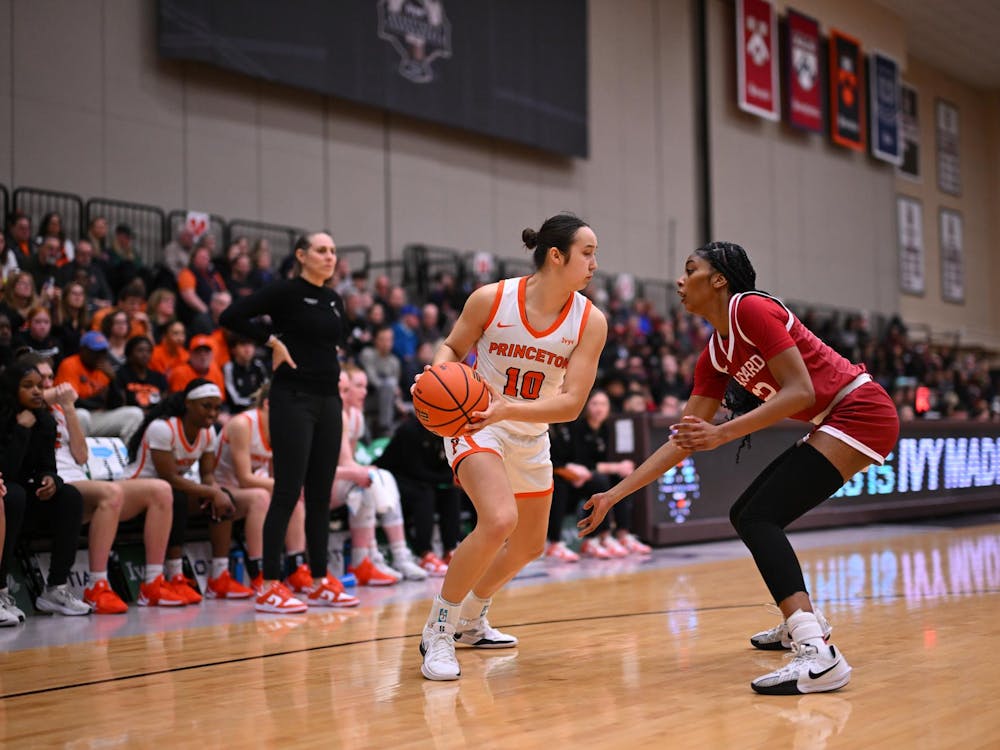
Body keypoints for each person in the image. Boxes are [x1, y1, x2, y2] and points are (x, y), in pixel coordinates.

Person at [578, 241, 900, 695]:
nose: (679, 280)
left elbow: (800, 392)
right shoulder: (716, 352)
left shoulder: (750, 309)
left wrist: (722, 434)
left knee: (757, 515)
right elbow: (683, 439)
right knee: (748, 514)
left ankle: (818, 653)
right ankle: (804, 622)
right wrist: (615, 494)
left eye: (690, 270)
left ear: (719, 280)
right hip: (839, 418)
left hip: (861, 410)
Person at [418, 214, 607, 681]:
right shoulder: (491, 298)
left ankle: (472, 619)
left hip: (526, 428)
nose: (594, 264)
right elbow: (452, 347)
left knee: (529, 546)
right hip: (476, 420)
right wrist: (435, 377)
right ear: (556, 255)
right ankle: (438, 629)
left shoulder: (590, 320)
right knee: (499, 520)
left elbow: (570, 405)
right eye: (587, 253)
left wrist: (511, 411)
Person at [219, 231, 349, 614]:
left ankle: (320, 579)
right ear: (301, 255)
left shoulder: (334, 299)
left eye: (333, 250)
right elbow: (231, 316)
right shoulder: (284, 292)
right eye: (322, 250)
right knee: (288, 489)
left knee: (321, 494)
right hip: (292, 398)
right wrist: (270, 340)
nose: (330, 256)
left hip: (330, 397)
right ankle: (270, 584)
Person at [28, 354, 184, 612]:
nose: (47, 383)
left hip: (78, 478)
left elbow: (81, 456)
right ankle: (97, 584)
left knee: (161, 490)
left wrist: (68, 409)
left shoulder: (60, 408)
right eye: (40, 378)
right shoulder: (24, 411)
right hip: (57, 484)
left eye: (49, 377)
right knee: (110, 492)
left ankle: (152, 582)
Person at [214, 383, 360, 610]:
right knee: (262, 497)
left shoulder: (280, 427)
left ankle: (296, 567)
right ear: (269, 404)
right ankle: (260, 572)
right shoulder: (243, 424)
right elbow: (245, 478)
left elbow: (273, 475)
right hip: (222, 488)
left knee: (294, 500)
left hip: (249, 489)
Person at [124, 378, 259, 603]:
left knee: (222, 500)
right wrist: (211, 492)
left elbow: (207, 475)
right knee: (177, 495)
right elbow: (169, 476)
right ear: (189, 403)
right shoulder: (163, 428)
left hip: (167, 495)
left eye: (217, 408)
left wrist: (216, 492)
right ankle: (175, 575)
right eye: (207, 406)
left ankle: (219, 576)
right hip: (136, 489)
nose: (213, 413)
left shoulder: (207, 433)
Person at [0, 358, 91, 616]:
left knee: (69, 496)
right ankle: (1, 592)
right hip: (7, 496)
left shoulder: (46, 422)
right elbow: (6, 471)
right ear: (11, 389)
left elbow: (47, 466)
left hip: (26, 501)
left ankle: (55, 588)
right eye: (28, 386)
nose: (38, 391)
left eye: (40, 386)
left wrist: (51, 479)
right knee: (13, 494)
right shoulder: (6, 419)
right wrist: (20, 430)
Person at [333, 365, 427, 585]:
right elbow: (329, 467)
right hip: (318, 483)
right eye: (354, 387)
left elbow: (349, 460)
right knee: (366, 486)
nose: (363, 392)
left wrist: (366, 473)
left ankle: (397, 555)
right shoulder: (334, 416)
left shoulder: (355, 416)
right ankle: (365, 560)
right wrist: (362, 474)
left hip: (337, 478)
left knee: (381, 478)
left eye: (364, 386)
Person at [551, 389, 650, 560]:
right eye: (595, 403)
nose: (599, 408)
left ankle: (622, 534)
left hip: (586, 477)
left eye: (603, 404)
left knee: (621, 479)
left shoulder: (607, 428)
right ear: (587, 406)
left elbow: (608, 460)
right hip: (575, 479)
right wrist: (614, 466)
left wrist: (621, 466)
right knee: (601, 481)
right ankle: (599, 537)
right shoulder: (578, 427)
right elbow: (582, 463)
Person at [374, 410, 461, 577]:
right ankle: (425, 554)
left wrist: (454, 479)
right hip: (392, 479)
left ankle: (450, 549)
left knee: (451, 492)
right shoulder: (410, 430)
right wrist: (450, 478)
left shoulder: (447, 430)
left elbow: (447, 466)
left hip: (422, 479)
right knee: (424, 493)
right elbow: (415, 471)